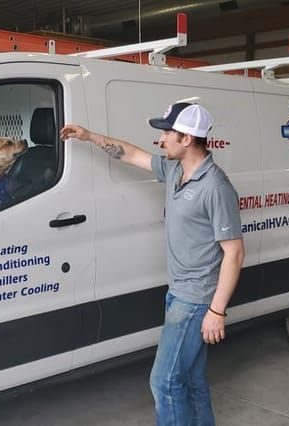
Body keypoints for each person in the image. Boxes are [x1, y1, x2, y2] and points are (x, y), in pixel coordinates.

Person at [60, 102, 245, 426]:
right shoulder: (176, 170)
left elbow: (234, 253)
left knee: (164, 382)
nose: (160, 139)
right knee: (192, 379)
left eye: (167, 132)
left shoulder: (216, 187)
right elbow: (131, 154)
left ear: (187, 139)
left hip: (195, 299)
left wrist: (216, 311)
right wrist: (89, 136)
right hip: (178, 293)